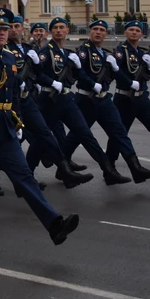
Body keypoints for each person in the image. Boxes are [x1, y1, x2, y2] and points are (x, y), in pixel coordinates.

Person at [0, 8, 79, 251]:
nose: (2, 33)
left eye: (4, 29)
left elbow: (13, 95)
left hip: (5, 128)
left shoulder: (10, 57)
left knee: (25, 178)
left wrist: (18, 120)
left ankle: (54, 225)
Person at [28, 17, 130, 185]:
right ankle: (29, 175)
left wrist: (84, 74)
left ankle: (108, 170)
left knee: (85, 133)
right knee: (41, 139)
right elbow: (37, 74)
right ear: (51, 32)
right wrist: (51, 82)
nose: (59, 30)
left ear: (67, 30)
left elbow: (78, 75)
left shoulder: (68, 53)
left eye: (62, 27)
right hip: (49, 100)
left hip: (67, 98)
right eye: (55, 28)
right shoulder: (45, 52)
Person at [64, 20, 150, 183]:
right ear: (90, 32)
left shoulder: (105, 53)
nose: (98, 32)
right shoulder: (83, 52)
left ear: (106, 33)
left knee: (118, 133)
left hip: (105, 100)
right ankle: (63, 165)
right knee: (78, 135)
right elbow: (79, 73)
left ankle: (134, 168)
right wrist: (93, 84)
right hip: (87, 100)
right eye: (95, 29)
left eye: (102, 30)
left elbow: (112, 74)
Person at [108, 20, 150, 168]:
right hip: (125, 98)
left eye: (137, 30)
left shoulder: (141, 53)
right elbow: (116, 72)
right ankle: (110, 166)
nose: (134, 32)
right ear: (125, 32)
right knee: (118, 134)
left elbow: (145, 76)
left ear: (141, 34)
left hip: (142, 98)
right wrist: (130, 82)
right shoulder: (120, 51)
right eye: (131, 29)